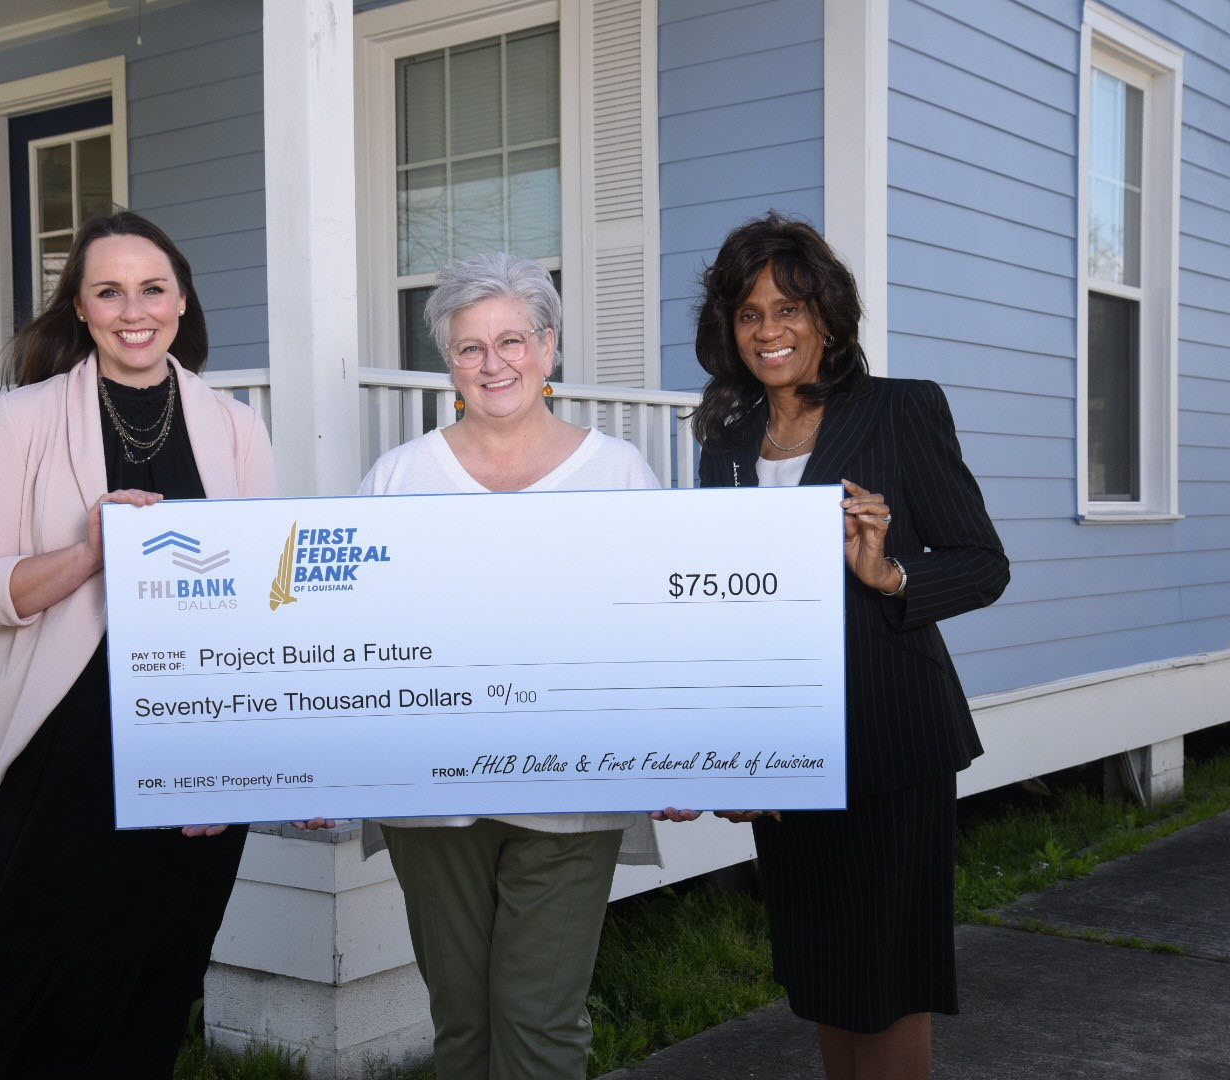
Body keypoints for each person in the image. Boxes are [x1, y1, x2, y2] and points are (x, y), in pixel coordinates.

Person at [0, 210, 276, 1078]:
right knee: (13, 974)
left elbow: (261, 604)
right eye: (108, 291)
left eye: (152, 289)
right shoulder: (29, 419)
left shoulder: (234, 426)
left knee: (155, 974)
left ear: (182, 300)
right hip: (58, 745)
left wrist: (243, 757)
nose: (133, 310)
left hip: (190, 743)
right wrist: (86, 554)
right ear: (79, 309)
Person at [298, 252, 697, 1080]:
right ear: (449, 362)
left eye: (512, 340)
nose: (493, 364)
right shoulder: (398, 478)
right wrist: (321, 765)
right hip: (432, 799)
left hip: (573, 786)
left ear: (549, 349)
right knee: (462, 1021)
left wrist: (681, 750)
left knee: (540, 1021)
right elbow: (350, 641)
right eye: (470, 347)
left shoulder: (618, 472)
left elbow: (665, 629)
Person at [692, 213, 1009, 1080]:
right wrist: (729, 750)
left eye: (789, 308)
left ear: (827, 315)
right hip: (786, 753)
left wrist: (891, 572)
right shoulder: (721, 439)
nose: (769, 331)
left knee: (890, 982)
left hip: (891, 737)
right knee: (825, 980)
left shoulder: (903, 408)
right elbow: (720, 607)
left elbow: (983, 564)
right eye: (749, 313)